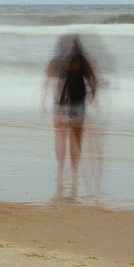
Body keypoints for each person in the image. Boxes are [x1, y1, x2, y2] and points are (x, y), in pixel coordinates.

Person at [43, 35, 98, 198]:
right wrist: (93, 97)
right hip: (78, 105)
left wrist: (57, 104)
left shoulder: (64, 61)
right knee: (75, 140)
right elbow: (93, 80)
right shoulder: (82, 61)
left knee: (62, 139)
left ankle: (62, 172)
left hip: (66, 104)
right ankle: (73, 173)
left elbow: (60, 84)